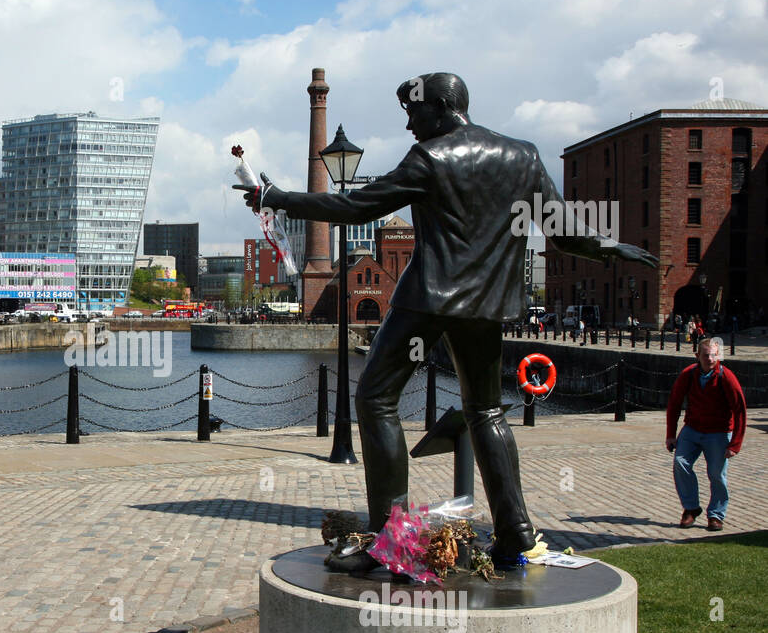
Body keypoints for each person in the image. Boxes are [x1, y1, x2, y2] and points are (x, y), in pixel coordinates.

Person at [236, 72, 658, 562]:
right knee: (487, 410)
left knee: (375, 399)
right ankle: (516, 532)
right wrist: (612, 246)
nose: (410, 126)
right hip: (485, 306)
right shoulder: (524, 156)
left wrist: (278, 198)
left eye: (413, 114)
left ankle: (393, 537)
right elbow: (561, 231)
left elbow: (353, 206)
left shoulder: (430, 158)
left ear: (439, 108)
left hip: (429, 298)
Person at [666, 337, 746, 531]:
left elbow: (740, 409)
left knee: (717, 474)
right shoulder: (689, 374)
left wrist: (735, 443)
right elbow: (675, 404)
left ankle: (716, 515)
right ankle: (691, 508)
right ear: (697, 356)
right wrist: (671, 434)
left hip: (718, 432)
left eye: (713, 355)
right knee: (680, 463)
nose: (710, 359)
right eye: (706, 355)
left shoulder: (726, 377)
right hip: (693, 429)